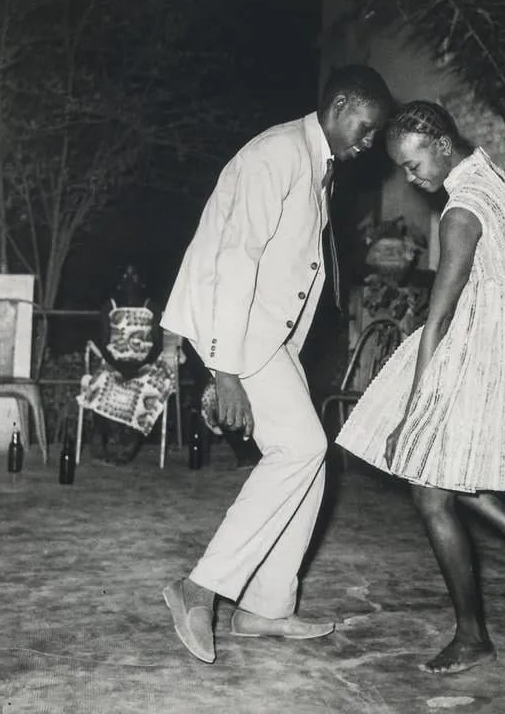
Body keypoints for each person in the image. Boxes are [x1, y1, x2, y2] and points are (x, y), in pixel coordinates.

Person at [336, 101, 505, 675]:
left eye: (413, 165)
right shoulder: (500, 177)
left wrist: (413, 412)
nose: (413, 179)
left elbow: (438, 318)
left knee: (428, 486)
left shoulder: (461, 211)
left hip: (482, 344)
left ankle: (472, 634)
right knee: (442, 472)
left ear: (439, 141)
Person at [159, 65, 392, 664]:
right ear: (341, 106)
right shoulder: (279, 154)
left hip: (269, 338)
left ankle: (266, 607)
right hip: (241, 335)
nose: (369, 143)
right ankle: (199, 587)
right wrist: (224, 370)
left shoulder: (313, 162)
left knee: (310, 458)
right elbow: (233, 259)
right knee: (302, 450)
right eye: (366, 128)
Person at [77, 263, 174, 465]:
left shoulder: (151, 307)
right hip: (115, 362)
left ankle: (131, 443)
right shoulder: (110, 306)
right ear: (119, 282)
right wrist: (117, 365)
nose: (131, 280)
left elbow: (157, 345)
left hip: (146, 364)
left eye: (135, 275)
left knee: (150, 386)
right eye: (126, 275)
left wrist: (141, 366)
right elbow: (104, 343)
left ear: (143, 281)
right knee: (103, 380)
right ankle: (98, 440)